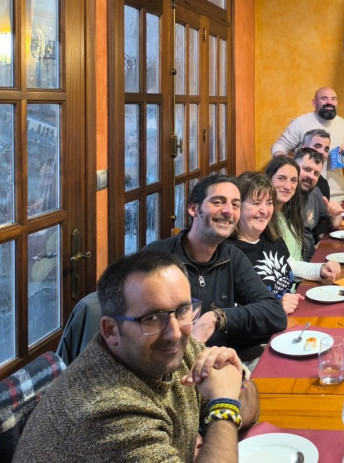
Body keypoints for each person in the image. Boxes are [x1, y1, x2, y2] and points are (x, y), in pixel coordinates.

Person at [13, 251, 260, 462]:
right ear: (111, 330)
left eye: (183, 310)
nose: (174, 333)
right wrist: (225, 405)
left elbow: (249, 410)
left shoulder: (170, 351)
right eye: (152, 318)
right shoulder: (108, 412)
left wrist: (235, 378)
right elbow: (230, 406)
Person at [143, 174, 287, 353]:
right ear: (194, 209)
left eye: (235, 205)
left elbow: (275, 312)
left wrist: (218, 317)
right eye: (218, 202)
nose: (228, 211)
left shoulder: (231, 256)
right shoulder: (157, 258)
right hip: (168, 364)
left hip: (217, 361)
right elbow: (143, 329)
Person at [228, 172, 302, 315]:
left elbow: (291, 267)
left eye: (269, 203)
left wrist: (321, 271)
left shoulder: (273, 239)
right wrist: (275, 308)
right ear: (237, 207)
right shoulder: (229, 253)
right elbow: (230, 312)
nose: (264, 210)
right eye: (256, 203)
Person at [264, 156, 341, 283]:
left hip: (299, 280)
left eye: (293, 180)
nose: (288, 186)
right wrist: (319, 269)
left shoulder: (291, 210)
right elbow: (283, 264)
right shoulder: (262, 218)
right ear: (268, 179)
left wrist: (320, 268)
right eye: (281, 178)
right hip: (287, 288)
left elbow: (292, 260)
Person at [271, 87, 344, 202]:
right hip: (305, 196)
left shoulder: (343, 124)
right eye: (324, 98)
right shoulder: (300, 123)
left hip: (337, 196)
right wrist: (285, 166)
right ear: (314, 102)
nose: (329, 102)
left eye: (333, 99)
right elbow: (279, 145)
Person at [293, 146, 344, 260]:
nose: (311, 176)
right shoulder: (284, 195)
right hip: (296, 262)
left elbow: (334, 224)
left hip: (311, 257)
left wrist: (336, 215)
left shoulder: (315, 192)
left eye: (316, 173)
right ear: (293, 166)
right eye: (306, 169)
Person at [300, 128, 332, 200]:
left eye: (326, 149)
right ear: (304, 148)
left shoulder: (323, 184)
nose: (322, 152)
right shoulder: (288, 175)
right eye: (317, 146)